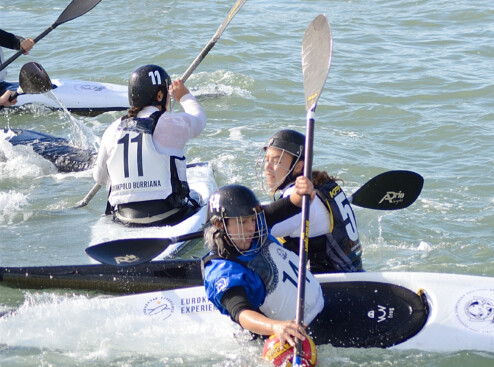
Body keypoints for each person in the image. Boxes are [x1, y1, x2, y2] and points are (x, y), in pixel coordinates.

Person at [203, 183, 324, 346]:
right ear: (219, 224)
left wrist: (302, 193)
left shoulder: (255, 227)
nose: (251, 227)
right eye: (244, 222)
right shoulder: (222, 270)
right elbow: (241, 313)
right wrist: (276, 327)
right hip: (278, 336)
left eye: (252, 219)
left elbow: (287, 206)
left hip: (317, 306)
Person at [93, 64, 206, 226]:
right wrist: (185, 97)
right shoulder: (171, 122)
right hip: (168, 213)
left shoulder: (112, 129)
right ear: (160, 95)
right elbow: (200, 120)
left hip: (125, 216)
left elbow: (100, 178)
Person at [255, 129, 363, 274]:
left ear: (298, 166)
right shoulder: (322, 187)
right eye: (267, 159)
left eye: (276, 161)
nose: (267, 167)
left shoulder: (304, 204)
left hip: (331, 289)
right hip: (355, 275)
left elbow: (252, 229)